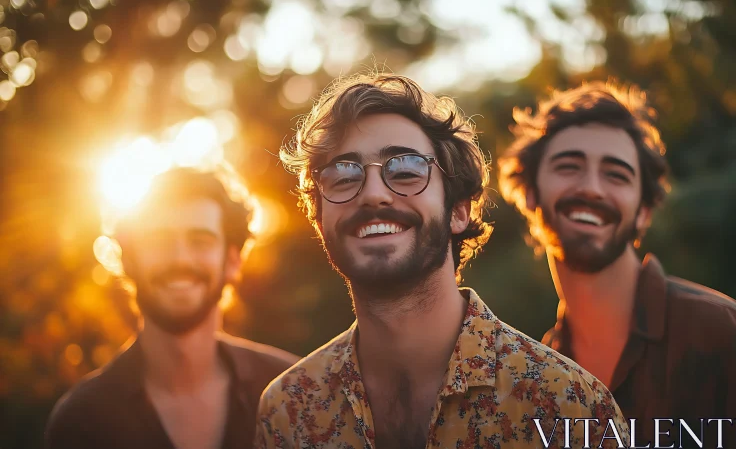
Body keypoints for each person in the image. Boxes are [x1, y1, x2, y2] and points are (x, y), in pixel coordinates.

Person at [255, 74, 629, 449]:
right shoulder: (290, 409)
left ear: (458, 211)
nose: (371, 195)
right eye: (343, 176)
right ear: (320, 220)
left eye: (405, 171)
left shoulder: (568, 406)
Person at [498, 81, 736, 447]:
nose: (592, 187)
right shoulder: (535, 375)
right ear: (530, 194)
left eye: (616, 174)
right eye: (568, 166)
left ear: (642, 213)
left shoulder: (729, 335)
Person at [45, 166, 300, 449]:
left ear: (232, 262)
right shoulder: (83, 420)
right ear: (128, 260)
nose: (180, 258)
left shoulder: (293, 391)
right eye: (159, 241)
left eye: (200, 241)